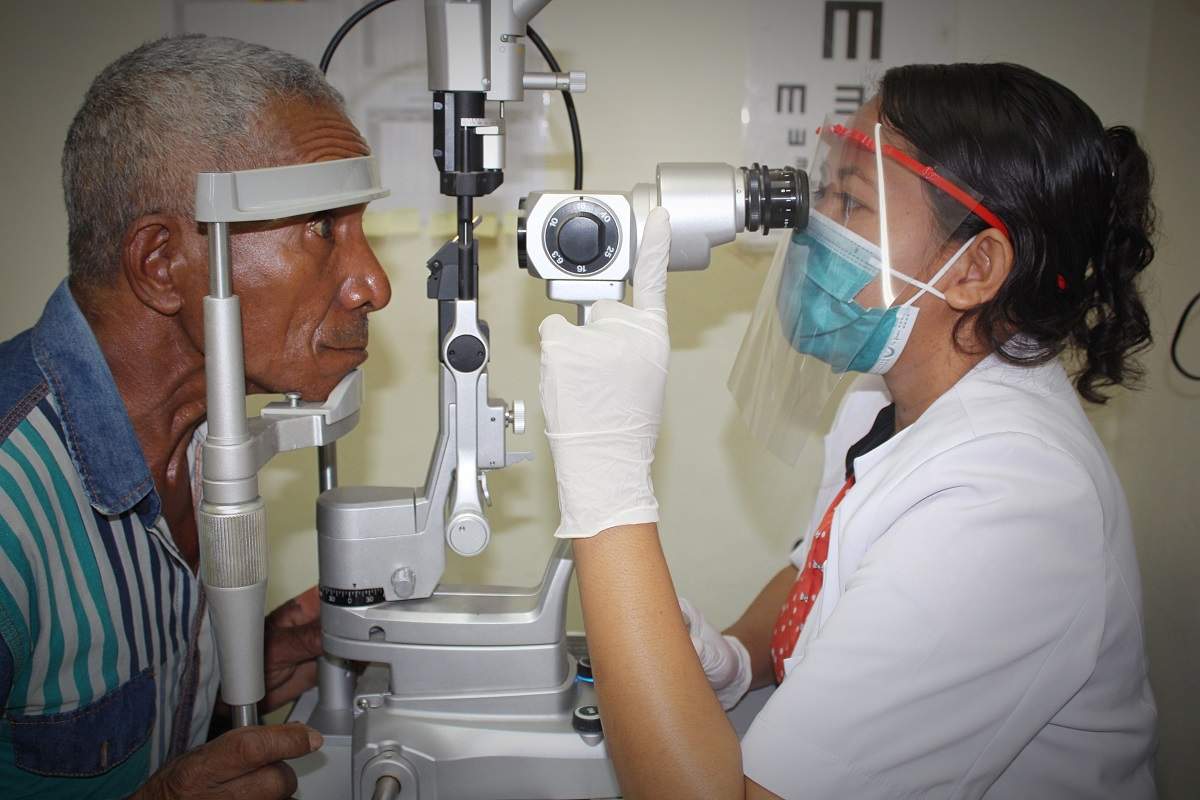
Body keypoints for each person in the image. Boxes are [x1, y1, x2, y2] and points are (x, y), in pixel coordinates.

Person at [538, 62, 1158, 798]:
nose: (814, 223)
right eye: (822, 189)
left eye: (852, 201)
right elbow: (824, 565)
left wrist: (605, 483)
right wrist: (740, 653)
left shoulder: (1012, 503)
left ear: (975, 267)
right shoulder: (891, 391)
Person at [0, 35, 391, 798]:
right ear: (161, 264)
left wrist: (218, 692)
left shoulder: (205, 445)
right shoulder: (13, 501)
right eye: (320, 229)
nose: (373, 284)